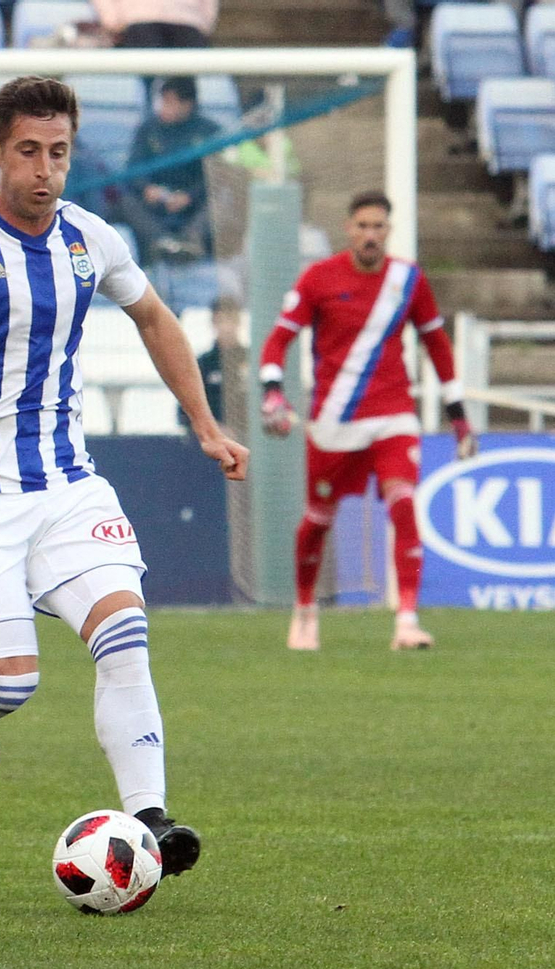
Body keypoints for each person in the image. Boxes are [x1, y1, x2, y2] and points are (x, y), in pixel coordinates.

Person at [0, 76, 248, 876]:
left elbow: (155, 318)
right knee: (8, 685)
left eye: (58, 153)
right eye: (28, 151)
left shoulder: (91, 238)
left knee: (126, 635)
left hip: (69, 481)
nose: (44, 169)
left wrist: (205, 423)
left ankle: (150, 821)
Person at [259, 190, 475, 652]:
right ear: (348, 229)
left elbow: (437, 346)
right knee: (317, 520)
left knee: (403, 504)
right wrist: (272, 393)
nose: (370, 235)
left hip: (393, 413)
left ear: (389, 231)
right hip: (333, 420)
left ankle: (407, 621)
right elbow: (278, 340)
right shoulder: (319, 278)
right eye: (363, 226)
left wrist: (459, 418)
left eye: (379, 226)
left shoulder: (408, 279)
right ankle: (305, 609)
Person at [117, 76, 221, 263]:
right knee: (126, 201)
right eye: (163, 101)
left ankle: (190, 243)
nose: (164, 107)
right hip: (156, 204)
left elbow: (218, 177)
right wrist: (147, 188)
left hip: (193, 204)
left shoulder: (209, 132)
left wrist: (189, 196)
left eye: (170, 102)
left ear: (188, 104)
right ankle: (162, 243)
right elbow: (133, 169)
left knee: (220, 203)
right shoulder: (148, 129)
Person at [178, 295, 242, 435]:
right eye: (221, 321)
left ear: (238, 322)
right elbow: (185, 413)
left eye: (231, 320)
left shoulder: (252, 361)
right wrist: (215, 430)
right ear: (213, 323)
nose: (226, 327)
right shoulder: (202, 364)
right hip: (213, 445)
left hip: (252, 441)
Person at [89, 0, 216, 48]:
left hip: (188, 23)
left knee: (185, 82)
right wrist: (112, 21)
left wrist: (204, 24)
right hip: (137, 22)